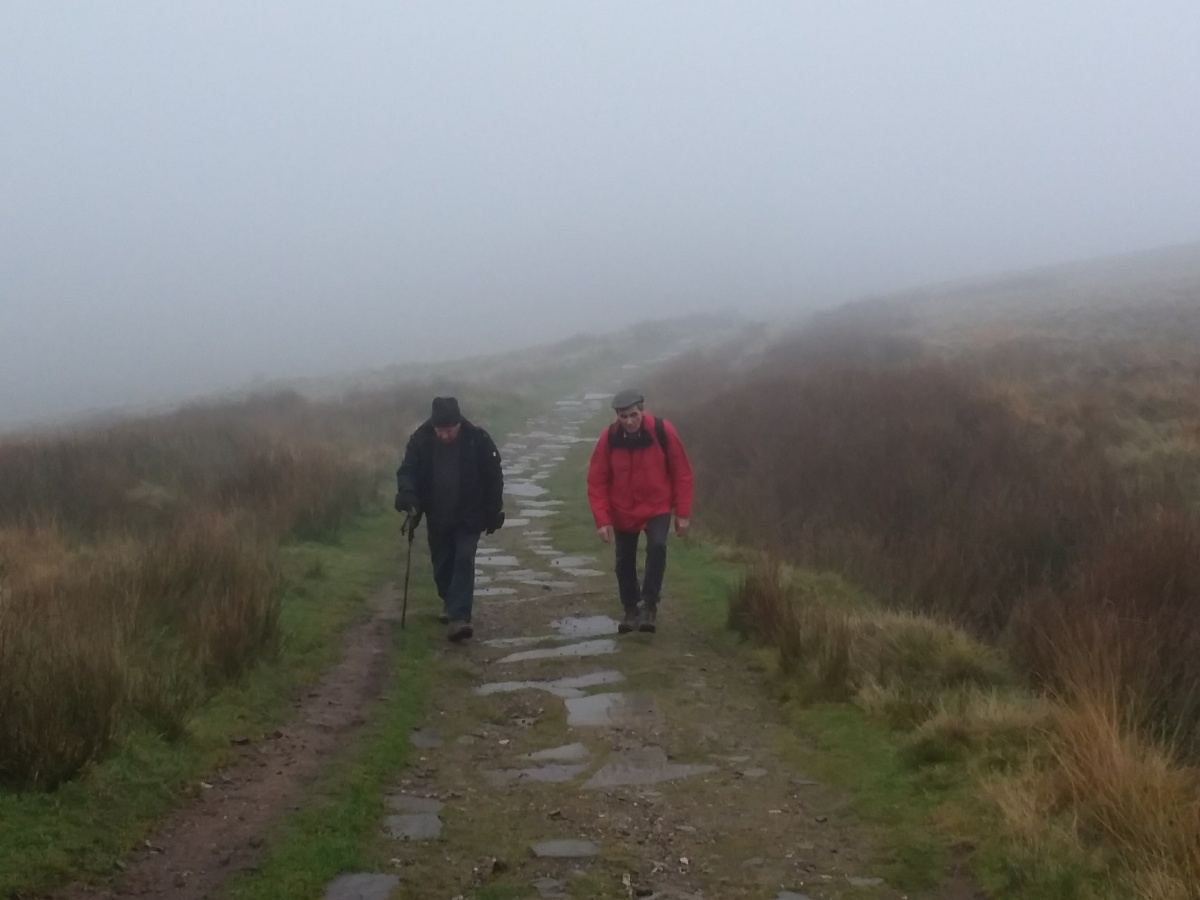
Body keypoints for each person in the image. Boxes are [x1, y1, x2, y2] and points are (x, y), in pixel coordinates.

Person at [395, 396, 505, 642]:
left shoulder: (478, 439)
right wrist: (408, 494)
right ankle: (450, 600)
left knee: (464, 559)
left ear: (458, 424)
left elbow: (493, 476)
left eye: (449, 430)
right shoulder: (421, 440)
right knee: (442, 563)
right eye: (440, 431)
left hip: (470, 514)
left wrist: (494, 511)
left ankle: (459, 618)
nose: (444, 435)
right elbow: (408, 470)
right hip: (437, 514)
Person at [586, 389, 694, 634]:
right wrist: (602, 520)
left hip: (657, 505)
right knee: (624, 560)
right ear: (617, 416)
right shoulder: (609, 438)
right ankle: (630, 608)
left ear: (642, 411)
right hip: (623, 508)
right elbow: (597, 480)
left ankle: (649, 605)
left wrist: (683, 513)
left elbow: (682, 472)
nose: (629, 421)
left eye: (633, 415)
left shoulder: (662, 431)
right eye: (623, 416)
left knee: (657, 547)